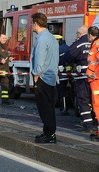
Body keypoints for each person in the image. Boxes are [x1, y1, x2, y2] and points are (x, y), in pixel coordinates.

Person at [30, 13, 59, 144]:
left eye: (32, 23)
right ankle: (49, 132)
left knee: (44, 107)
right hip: (51, 76)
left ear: (36, 24)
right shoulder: (51, 37)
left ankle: (49, 134)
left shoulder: (41, 39)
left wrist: (36, 74)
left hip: (43, 77)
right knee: (49, 106)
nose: (32, 26)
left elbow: (40, 59)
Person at [63, 25, 94, 132]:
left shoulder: (79, 43)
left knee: (83, 99)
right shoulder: (96, 42)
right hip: (96, 77)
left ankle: (87, 125)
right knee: (95, 101)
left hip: (83, 76)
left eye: (77, 33)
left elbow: (68, 56)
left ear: (80, 34)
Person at [55, 36, 70, 116]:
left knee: (62, 92)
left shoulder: (58, 50)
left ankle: (63, 108)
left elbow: (56, 62)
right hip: (70, 74)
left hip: (61, 74)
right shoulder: (69, 48)